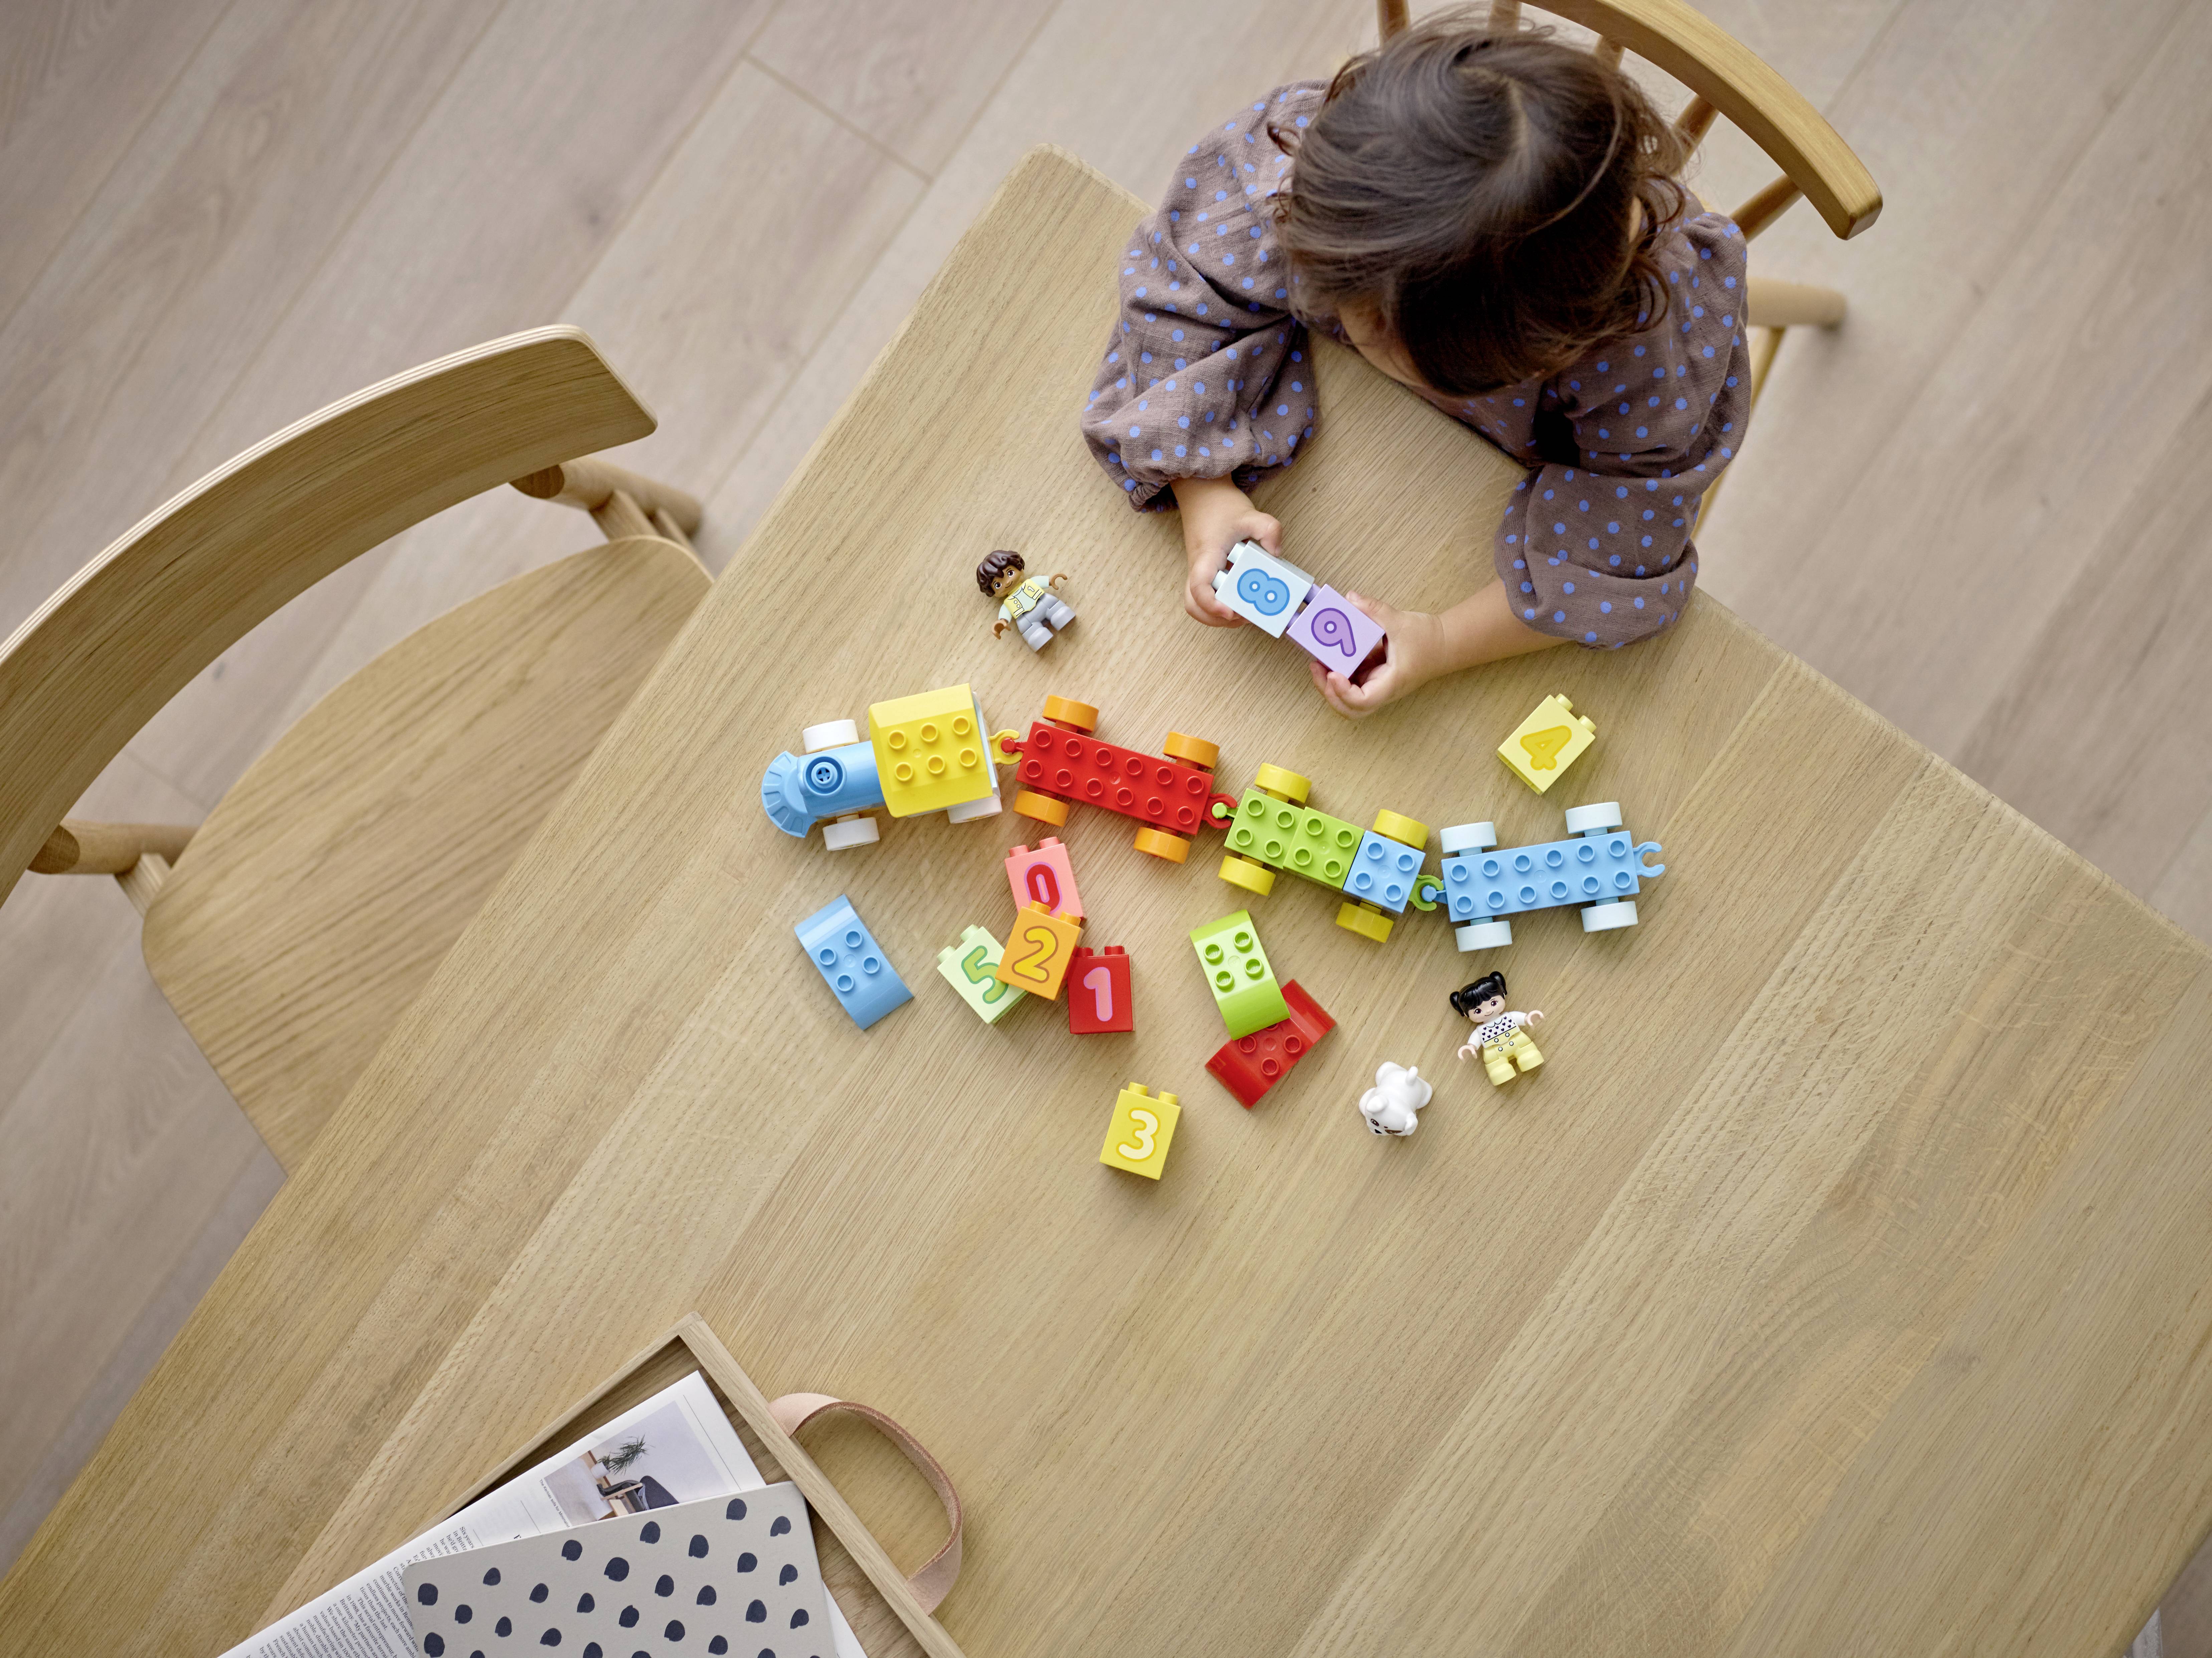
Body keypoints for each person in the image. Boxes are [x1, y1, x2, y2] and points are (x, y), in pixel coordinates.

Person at [1078, 9, 1746, 716]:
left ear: (1550, 348)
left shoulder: (1652, 356)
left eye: (1387, 343)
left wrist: (1440, 641)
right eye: (1351, 310)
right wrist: (1203, 491)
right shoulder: (1313, 176)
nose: (1357, 329)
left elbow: (1622, 541)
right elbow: (1181, 288)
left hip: (1505, 459)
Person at [1451, 971, 1545, 1085]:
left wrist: (1528, 1018)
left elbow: (1522, 1018)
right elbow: (1475, 1041)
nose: (1489, 1010)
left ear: (1503, 995)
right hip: (1494, 1053)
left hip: (1518, 1042)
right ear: (1466, 1014)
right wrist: (1471, 1047)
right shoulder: (1480, 1031)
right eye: (1478, 1011)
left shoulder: (1509, 1016)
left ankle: (1529, 1058)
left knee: (1529, 1055)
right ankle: (1500, 1072)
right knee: (1498, 1070)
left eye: (1494, 1003)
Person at [978, 548, 1076, 650]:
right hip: (1027, 620)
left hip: (1044, 603)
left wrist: (1051, 581)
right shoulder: (1007, 604)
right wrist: (1002, 622)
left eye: (1010, 573)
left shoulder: (1031, 582)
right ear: (993, 592)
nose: (1007, 583)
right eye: (998, 585)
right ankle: (1037, 636)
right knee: (1032, 633)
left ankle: (1061, 615)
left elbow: (1043, 581)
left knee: (1057, 610)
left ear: (1019, 567)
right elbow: (1005, 616)